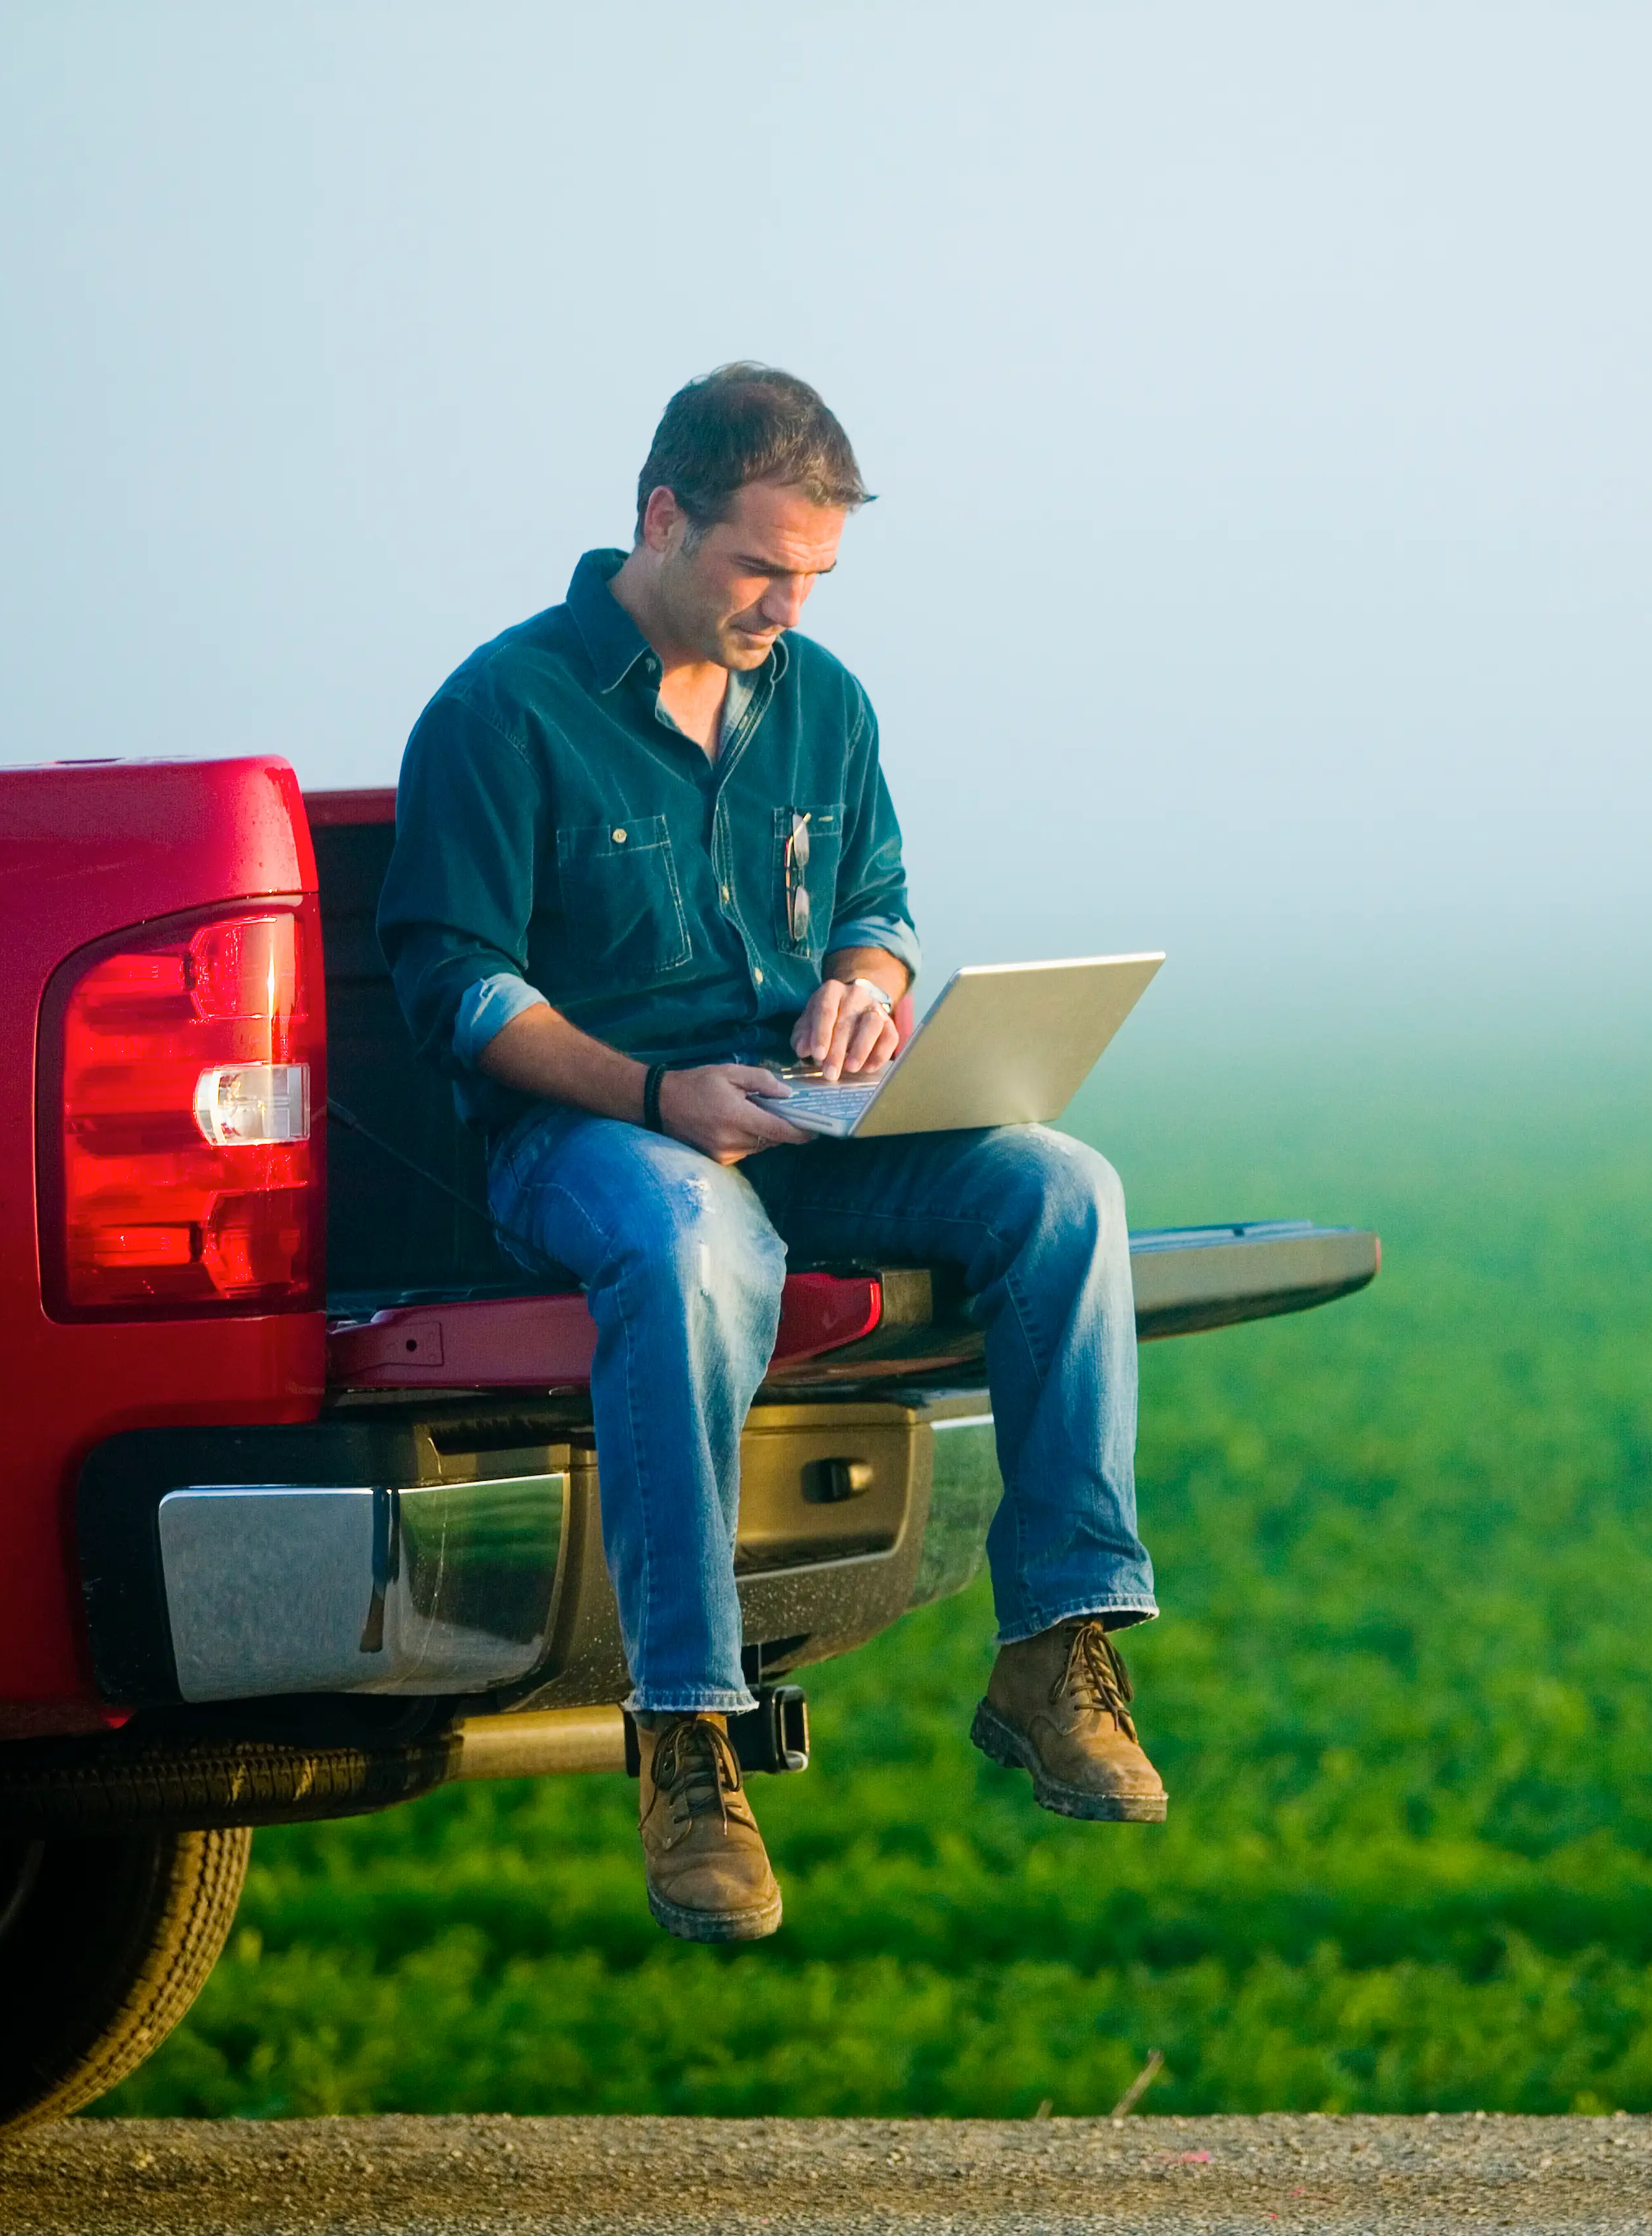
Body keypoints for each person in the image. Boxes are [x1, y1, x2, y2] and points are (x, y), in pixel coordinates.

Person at [376, 364, 1165, 1943]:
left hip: (804, 1125)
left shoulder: (826, 701)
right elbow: (456, 989)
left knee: (1066, 1187)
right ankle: (688, 1733)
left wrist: (868, 994)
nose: (786, 607)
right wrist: (666, 1100)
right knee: (691, 1240)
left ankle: (1057, 1646)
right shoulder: (498, 709)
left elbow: (877, 899)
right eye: (761, 567)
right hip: (594, 1138)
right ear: (661, 515)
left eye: (814, 576)